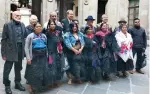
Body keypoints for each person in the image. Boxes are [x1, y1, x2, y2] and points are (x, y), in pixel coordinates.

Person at [1, 11, 26, 94]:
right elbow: (3, 40)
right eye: (17, 15)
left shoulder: (22, 25)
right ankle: (7, 85)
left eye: (20, 16)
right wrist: (3, 53)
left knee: (18, 68)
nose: (18, 17)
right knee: (7, 69)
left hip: (20, 49)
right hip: (10, 50)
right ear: (12, 16)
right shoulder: (7, 25)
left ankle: (17, 83)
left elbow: (25, 37)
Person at [25, 23, 48, 93]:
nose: (39, 28)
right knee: (33, 73)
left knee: (41, 72)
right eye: (37, 27)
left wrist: (47, 55)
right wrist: (28, 58)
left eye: (40, 26)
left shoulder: (44, 36)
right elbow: (26, 48)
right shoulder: (30, 36)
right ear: (34, 28)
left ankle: (39, 87)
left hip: (43, 57)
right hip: (34, 57)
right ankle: (32, 88)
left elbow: (46, 45)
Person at [43, 20, 65, 87]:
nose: (53, 25)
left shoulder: (57, 32)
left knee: (58, 66)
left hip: (58, 52)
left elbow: (61, 39)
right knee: (51, 66)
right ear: (49, 25)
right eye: (51, 24)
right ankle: (50, 82)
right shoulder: (46, 33)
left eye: (54, 24)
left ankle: (56, 81)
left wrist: (59, 39)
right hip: (50, 53)